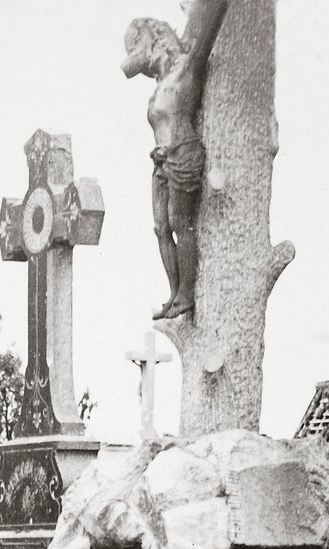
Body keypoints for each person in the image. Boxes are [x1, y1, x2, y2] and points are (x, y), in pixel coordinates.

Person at [122, 0, 229, 319]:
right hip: (159, 159)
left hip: (182, 150)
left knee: (182, 223)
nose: (145, 68)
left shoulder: (187, 66)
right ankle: (173, 293)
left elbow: (211, 22)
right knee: (160, 227)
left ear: (155, 42)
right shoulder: (158, 86)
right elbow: (131, 68)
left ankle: (186, 295)